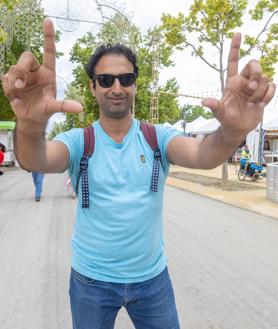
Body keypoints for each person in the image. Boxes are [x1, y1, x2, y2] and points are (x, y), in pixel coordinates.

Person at [1, 18, 275, 329]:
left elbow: (203, 154)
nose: (116, 88)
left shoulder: (157, 137)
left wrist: (231, 132)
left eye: (125, 78)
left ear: (136, 84)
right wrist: (32, 124)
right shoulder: (80, 141)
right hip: (91, 283)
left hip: (152, 282)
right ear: (92, 87)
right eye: (105, 80)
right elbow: (36, 159)